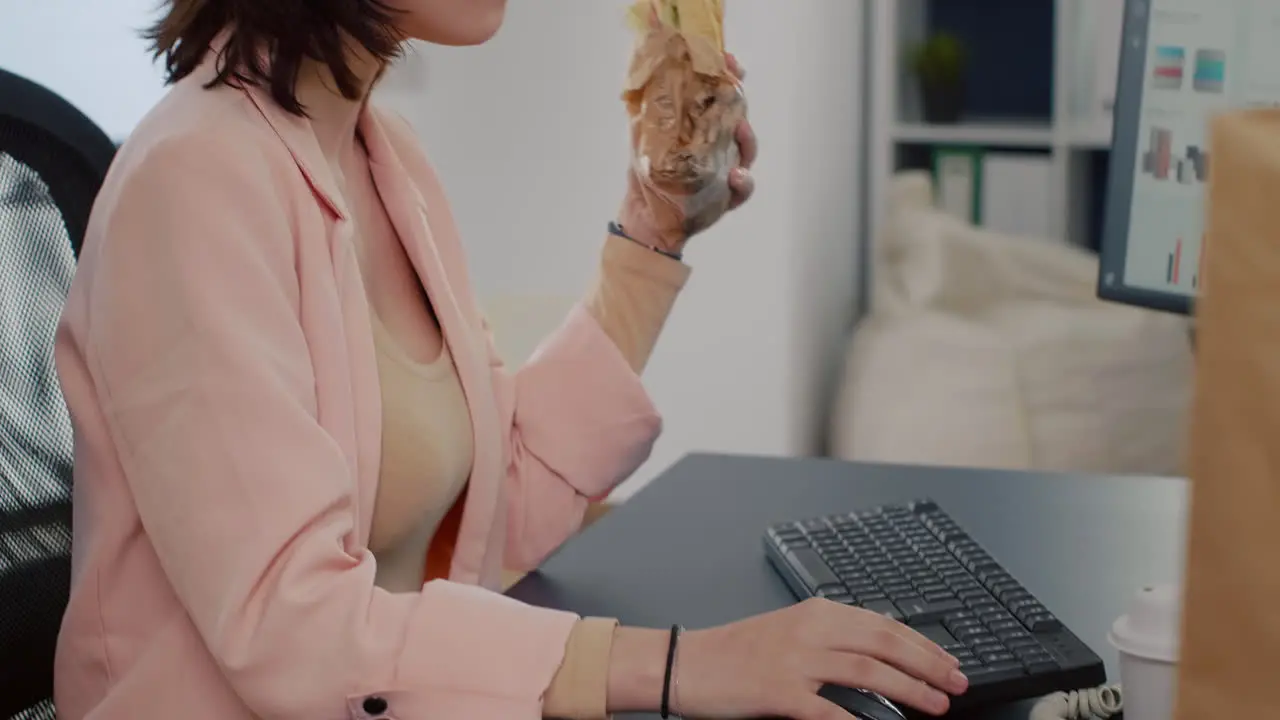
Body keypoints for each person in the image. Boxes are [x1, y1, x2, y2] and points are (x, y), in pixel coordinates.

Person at [52, 1, 969, 719]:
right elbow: (293, 633)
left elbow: (485, 517)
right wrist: (687, 665)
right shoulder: (194, 179)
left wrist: (654, 232)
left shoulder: (384, 157)